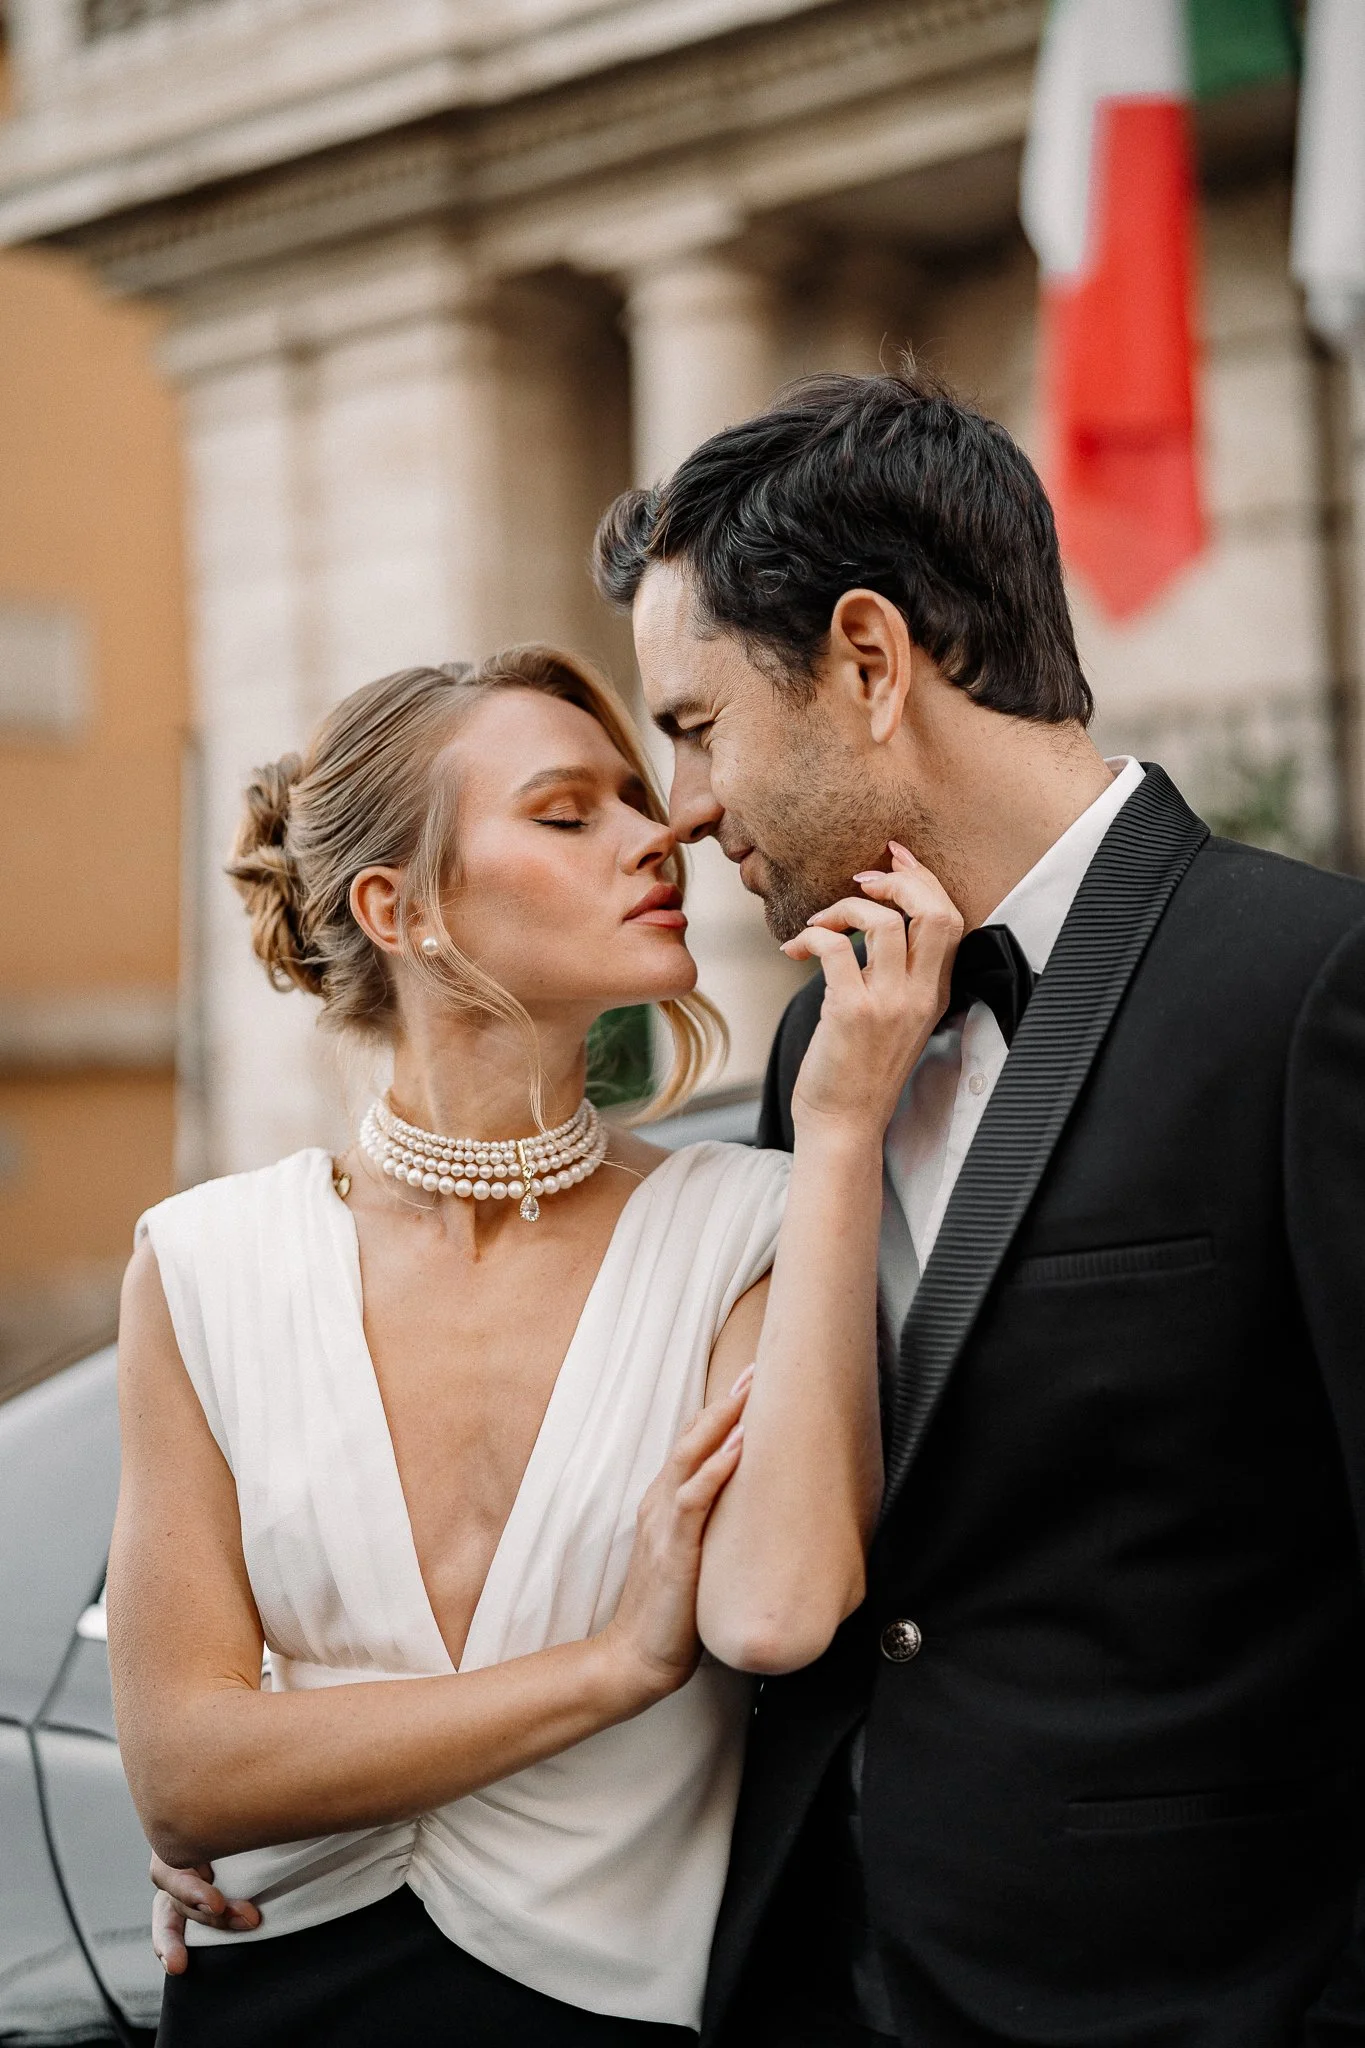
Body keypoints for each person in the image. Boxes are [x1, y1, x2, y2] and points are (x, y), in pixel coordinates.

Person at [591, 367, 1365, 2048]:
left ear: (869, 660)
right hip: (845, 1986)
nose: (687, 808)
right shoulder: (822, 1037)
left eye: (696, 725)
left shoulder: (1306, 990)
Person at [111, 642, 961, 2047]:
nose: (663, 835)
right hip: (275, 2002)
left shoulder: (749, 1222)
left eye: (643, 796)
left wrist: (847, 1119)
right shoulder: (202, 1267)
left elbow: (773, 1606)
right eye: (571, 814)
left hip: (620, 2016)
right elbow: (187, 1773)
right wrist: (616, 1666)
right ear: (402, 907)